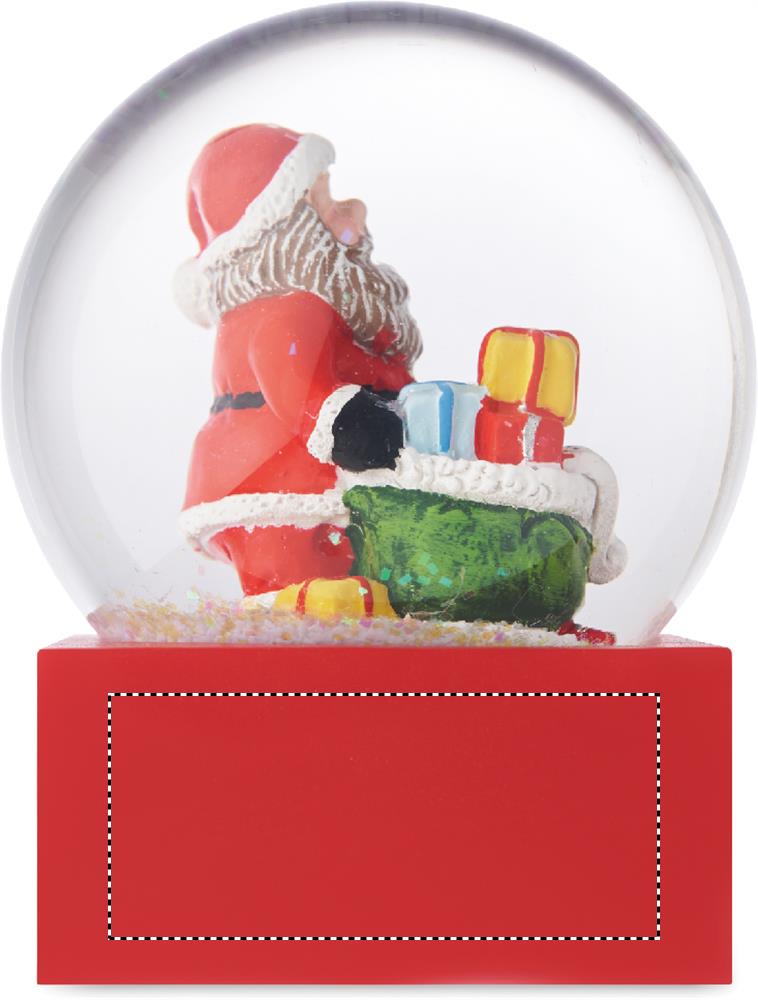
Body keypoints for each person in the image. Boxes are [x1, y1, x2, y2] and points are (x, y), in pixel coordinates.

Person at [175, 124, 422, 603]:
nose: (355, 211)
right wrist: (354, 428)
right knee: (305, 580)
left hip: (297, 487)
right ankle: (297, 616)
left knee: (336, 580)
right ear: (290, 227)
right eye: (325, 200)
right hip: (278, 488)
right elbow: (297, 386)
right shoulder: (292, 310)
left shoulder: (329, 310)